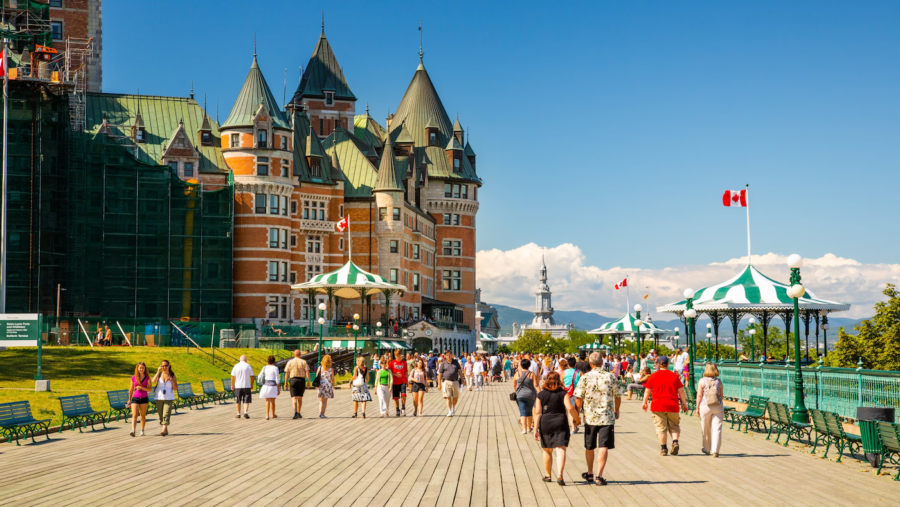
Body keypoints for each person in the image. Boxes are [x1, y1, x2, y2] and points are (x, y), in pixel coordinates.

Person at [573, 351, 621, 486]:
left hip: (590, 416)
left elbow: (579, 399)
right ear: (602, 363)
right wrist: (616, 410)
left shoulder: (585, 377)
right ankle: (599, 476)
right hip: (607, 416)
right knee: (603, 445)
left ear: (590, 364)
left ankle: (589, 473)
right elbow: (618, 396)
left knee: (590, 446)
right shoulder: (610, 377)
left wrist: (576, 416)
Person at [534, 372, 579, 485]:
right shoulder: (563, 393)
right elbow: (569, 407)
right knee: (561, 449)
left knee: (547, 450)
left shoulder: (541, 394)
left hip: (546, 423)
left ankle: (548, 475)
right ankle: (560, 475)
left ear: (546, 380)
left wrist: (535, 429)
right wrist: (577, 419)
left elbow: (538, 413)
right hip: (560, 422)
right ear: (559, 381)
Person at [641, 356, 688, 456]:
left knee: (661, 428)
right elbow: (681, 391)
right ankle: (675, 441)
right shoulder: (674, 376)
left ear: (658, 364)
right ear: (668, 364)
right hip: (672, 405)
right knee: (674, 426)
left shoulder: (653, 376)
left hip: (657, 405)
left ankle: (663, 449)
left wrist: (644, 402)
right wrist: (684, 404)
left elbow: (647, 390)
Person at [697, 363, 724, 457]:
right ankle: (715, 450)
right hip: (718, 406)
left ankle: (707, 448)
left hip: (705, 406)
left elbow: (699, 395)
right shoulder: (719, 381)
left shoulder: (702, 381)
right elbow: (721, 395)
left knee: (705, 427)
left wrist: (697, 408)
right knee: (717, 428)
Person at [512, 358, 540, 434]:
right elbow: (536, 385)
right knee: (529, 411)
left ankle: (524, 429)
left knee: (522, 411)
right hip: (530, 395)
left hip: (520, 395)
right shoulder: (531, 374)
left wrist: (516, 390)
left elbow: (514, 384)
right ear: (529, 365)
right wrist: (540, 393)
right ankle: (529, 428)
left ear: (521, 365)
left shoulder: (517, 373)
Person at [152, 360, 177, 436]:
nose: (164, 367)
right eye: (163, 366)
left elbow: (175, 388)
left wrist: (172, 381)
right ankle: (165, 429)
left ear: (169, 366)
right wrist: (158, 371)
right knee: (161, 415)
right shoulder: (159, 374)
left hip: (169, 398)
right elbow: (153, 381)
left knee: (166, 413)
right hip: (159, 397)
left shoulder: (172, 375)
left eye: (166, 366)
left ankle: (163, 430)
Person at [283, 349, 309, 419]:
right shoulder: (304, 362)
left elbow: (287, 373)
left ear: (294, 355)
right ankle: (299, 412)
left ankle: (295, 413)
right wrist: (308, 382)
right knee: (300, 397)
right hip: (301, 380)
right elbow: (307, 372)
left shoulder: (290, 362)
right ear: (300, 354)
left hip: (293, 380)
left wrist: (286, 382)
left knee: (294, 397)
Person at [127, 362, 150, 437]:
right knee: (134, 414)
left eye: (143, 368)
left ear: (145, 368)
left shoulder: (147, 377)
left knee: (142, 415)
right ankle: (133, 431)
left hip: (144, 398)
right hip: (135, 398)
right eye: (140, 368)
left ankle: (142, 430)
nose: (141, 369)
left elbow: (150, 389)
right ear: (137, 368)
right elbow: (131, 389)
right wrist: (129, 399)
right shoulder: (133, 377)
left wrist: (142, 388)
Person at [437, 350, 462, 417]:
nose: (448, 356)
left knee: (455, 397)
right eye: (447, 355)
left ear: (452, 355)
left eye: (449, 354)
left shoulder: (456, 362)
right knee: (448, 397)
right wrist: (439, 384)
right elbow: (440, 374)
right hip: (446, 381)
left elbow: (460, 371)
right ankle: (449, 411)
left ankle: (453, 406)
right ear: (445, 356)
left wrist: (462, 380)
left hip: (455, 381)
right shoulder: (443, 363)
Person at [258, 355, 280, 420]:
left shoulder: (264, 367)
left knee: (267, 401)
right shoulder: (275, 368)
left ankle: (267, 415)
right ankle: (273, 414)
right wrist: (278, 389)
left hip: (266, 385)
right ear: (274, 361)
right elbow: (277, 380)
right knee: (272, 401)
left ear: (268, 361)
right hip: (273, 386)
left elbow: (259, 376)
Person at [388, 349, 409, 416]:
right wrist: (395, 374)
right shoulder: (392, 363)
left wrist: (407, 381)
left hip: (402, 381)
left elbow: (406, 372)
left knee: (403, 395)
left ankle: (403, 407)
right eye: (397, 356)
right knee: (396, 397)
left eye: (399, 356)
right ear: (395, 356)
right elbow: (389, 372)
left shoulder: (404, 362)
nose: (398, 357)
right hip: (395, 382)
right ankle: (397, 409)